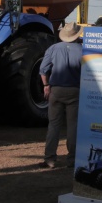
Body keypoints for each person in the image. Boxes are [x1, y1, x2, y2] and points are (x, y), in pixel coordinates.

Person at [40, 23, 83, 169]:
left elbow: (43, 70)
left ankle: (50, 158)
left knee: (54, 125)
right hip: (75, 90)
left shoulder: (53, 48)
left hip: (56, 90)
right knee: (73, 126)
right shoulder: (83, 51)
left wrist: (46, 85)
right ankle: (72, 160)